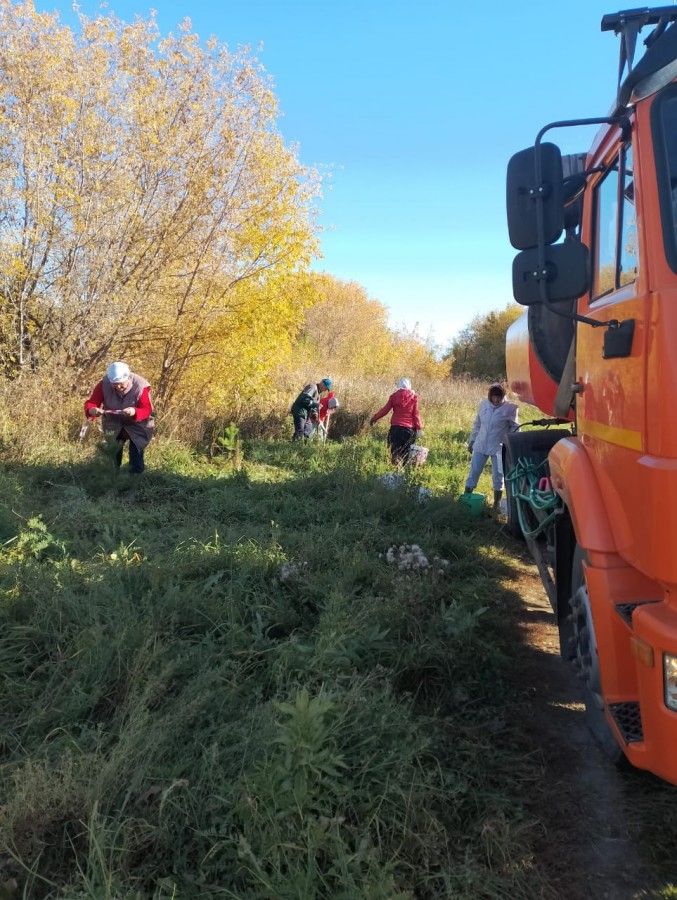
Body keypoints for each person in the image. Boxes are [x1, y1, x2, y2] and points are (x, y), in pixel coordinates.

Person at [84, 361, 155, 473]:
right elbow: (92, 402)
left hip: (137, 425)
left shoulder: (141, 386)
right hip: (113, 423)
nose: (118, 387)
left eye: (121, 383)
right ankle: (113, 479)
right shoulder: (104, 384)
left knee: (136, 457)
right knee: (113, 458)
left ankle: (134, 481)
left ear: (128, 378)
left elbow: (147, 409)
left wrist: (134, 411)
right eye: (114, 384)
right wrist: (92, 410)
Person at [465, 383, 518, 509]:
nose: (496, 400)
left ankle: (496, 504)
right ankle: (466, 498)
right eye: (494, 397)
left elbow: (515, 427)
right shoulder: (483, 405)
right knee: (474, 472)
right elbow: (477, 424)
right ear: (490, 396)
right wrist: (472, 441)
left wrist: (510, 444)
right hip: (481, 444)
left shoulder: (510, 408)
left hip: (498, 447)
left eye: (499, 397)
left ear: (503, 396)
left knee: (498, 475)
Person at [369, 378, 422, 465]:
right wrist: (419, 428)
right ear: (409, 386)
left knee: (395, 453)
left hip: (395, 429)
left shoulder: (394, 396)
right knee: (407, 453)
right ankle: (403, 473)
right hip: (409, 430)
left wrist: (374, 418)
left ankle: (395, 472)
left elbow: (384, 410)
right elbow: (416, 414)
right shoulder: (414, 397)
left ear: (399, 386)